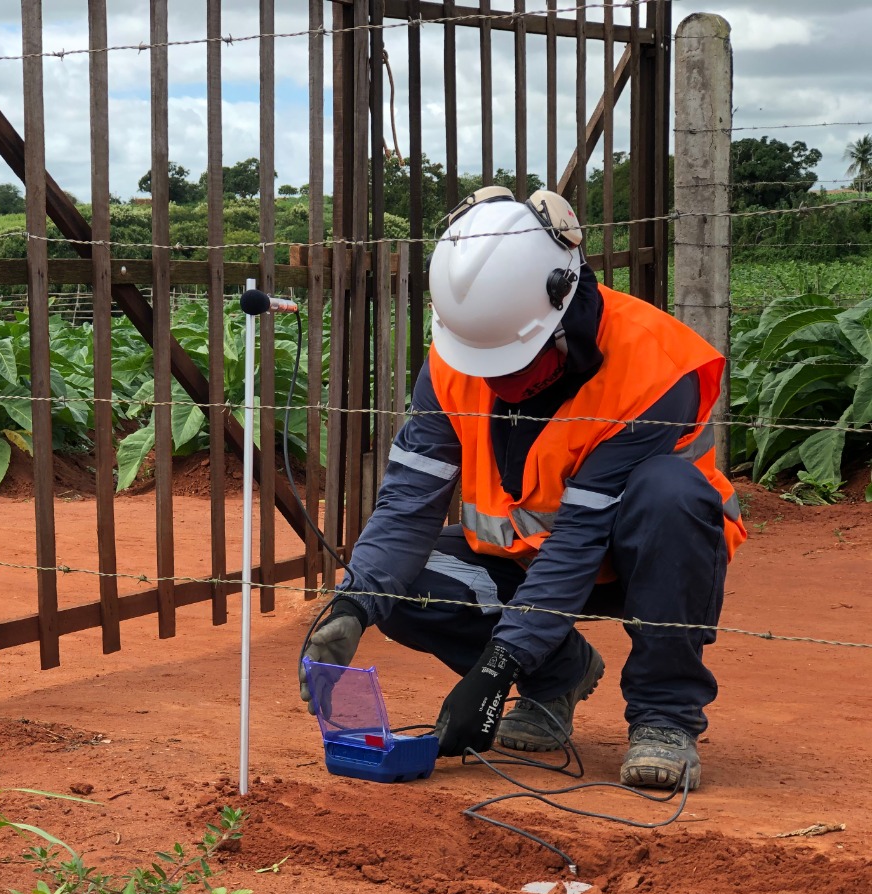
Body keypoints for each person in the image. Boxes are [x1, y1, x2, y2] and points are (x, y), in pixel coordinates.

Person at [298, 187, 746, 790]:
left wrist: (496, 666)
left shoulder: (654, 367)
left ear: (565, 309)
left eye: (514, 360)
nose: (497, 378)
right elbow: (407, 504)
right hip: (525, 561)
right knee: (397, 584)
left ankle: (664, 718)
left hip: (647, 561)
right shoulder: (458, 358)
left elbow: (582, 536)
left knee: (670, 493)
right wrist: (354, 605)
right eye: (484, 362)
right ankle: (557, 676)